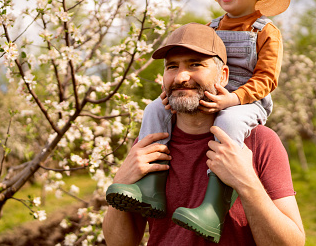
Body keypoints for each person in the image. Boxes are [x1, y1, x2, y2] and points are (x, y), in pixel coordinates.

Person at [106, 0, 290, 242]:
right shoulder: (212, 29)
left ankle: (213, 205)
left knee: (229, 121)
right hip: (219, 97)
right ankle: (149, 188)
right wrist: (124, 175)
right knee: (153, 108)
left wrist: (232, 99)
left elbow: (267, 79)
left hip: (246, 102)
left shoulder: (266, 33)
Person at [103, 23, 304, 245]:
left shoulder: (260, 142)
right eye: (172, 67)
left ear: (223, 76)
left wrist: (247, 182)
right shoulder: (150, 142)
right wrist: (121, 178)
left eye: (195, 64)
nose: (180, 77)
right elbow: (119, 243)